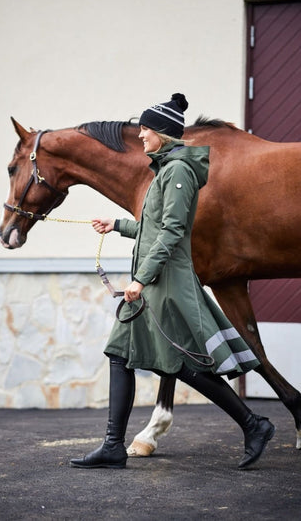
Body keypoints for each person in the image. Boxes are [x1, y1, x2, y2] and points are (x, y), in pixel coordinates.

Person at [70, 93, 275, 470]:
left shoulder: (178, 171)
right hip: (154, 282)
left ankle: (254, 423)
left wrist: (141, 280)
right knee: (120, 355)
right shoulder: (164, 169)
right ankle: (113, 446)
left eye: (146, 129)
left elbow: (173, 232)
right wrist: (117, 225)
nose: (141, 135)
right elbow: (153, 228)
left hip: (165, 283)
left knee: (181, 364)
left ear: (163, 133)